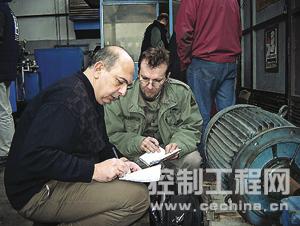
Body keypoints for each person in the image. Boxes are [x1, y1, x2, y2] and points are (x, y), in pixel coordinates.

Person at [4, 46, 150, 226]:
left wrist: (120, 162)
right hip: (35, 191)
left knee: (134, 186)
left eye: (127, 85)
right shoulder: (67, 100)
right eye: (120, 81)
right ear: (98, 69)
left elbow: (101, 143)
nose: (123, 92)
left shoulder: (91, 96)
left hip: (54, 177)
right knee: (137, 198)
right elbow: (35, 156)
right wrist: (94, 171)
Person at [105, 47, 202, 171]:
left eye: (157, 80)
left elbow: (192, 126)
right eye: (144, 78)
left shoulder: (181, 93)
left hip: (170, 152)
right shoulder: (121, 96)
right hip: (136, 154)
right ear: (138, 73)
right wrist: (138, 142)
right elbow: (114, 134)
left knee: (193, 160)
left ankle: (182, 190)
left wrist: (179, 144)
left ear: (167, 77)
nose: (150, 86)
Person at [175, 0, 241, 160]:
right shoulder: (232, 1)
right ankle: (228, 159)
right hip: (229, 62)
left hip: (203, 61)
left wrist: (184, 61)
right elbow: (238, 31)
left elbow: (183, 31)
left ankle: (206, 160)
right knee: (227, 116)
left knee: (200, 116)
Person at [0, 1, 19, 166]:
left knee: (2, 110)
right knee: (3, 109)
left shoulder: (0, 8)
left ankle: (7, 150)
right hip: (6, 68)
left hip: (1, 68)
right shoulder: (8, 11)